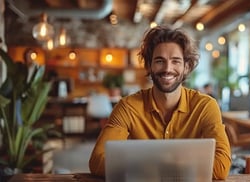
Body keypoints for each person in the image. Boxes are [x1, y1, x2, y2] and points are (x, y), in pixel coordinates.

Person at [89, 26, 231, 180]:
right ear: (149, 65)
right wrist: (178, 166)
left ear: (186, 67)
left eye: (175, 61)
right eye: (159, 61)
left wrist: (145, 167)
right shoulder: (128, 107)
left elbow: (221, 167)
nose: (167, 69)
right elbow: (97, 161)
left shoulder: (205, 106)